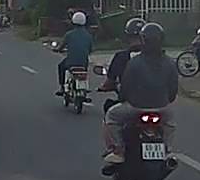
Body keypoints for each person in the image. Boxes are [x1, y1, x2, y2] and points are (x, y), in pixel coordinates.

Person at [103, 21, 178, 164]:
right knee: (170, 124)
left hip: (135, 107)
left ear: (143, 40)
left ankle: (119, 151)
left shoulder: (134, 62)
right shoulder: (169, 62)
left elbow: (125, 88)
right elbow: (173, 90)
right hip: (162, 107)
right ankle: (168, 150)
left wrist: (124, 98)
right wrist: (166, 100)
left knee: (111, 116)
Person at [100, 17, 146, 97]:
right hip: (157, 101)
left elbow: (110, 81)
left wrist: (104, 87)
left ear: (128, 36)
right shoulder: (158, 57)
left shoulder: (120, 57)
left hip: (129, 99)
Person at [55, 11, 94, 96]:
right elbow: (91, 50)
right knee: (84, 71)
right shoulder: (88, 36)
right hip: (84, 63)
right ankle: (84, 88)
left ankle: (62, 87)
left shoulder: (69, 34)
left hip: (70, 62)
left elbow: (61, 47)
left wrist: (58, 49)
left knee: (61, 66)